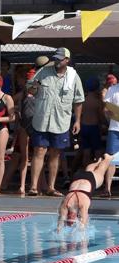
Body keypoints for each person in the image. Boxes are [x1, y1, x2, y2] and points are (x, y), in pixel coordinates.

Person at [28, 47, 84, 197]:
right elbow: (30, 89)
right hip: (42, 119)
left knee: (55, 154)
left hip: (61, 121)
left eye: (60, 59)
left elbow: (78, 100)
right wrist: (34, 86)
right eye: (56, 58)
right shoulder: (44, 72)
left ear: (67, 60)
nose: (57, 61)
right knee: (39, 150)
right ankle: (34, 187)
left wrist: (77, 121)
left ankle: (51, 187)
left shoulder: (73, 76)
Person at [57, 154, 115, 232]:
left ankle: (107, 158)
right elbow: (60, 225)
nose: (72, 222)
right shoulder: (65, 204)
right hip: (77, 177)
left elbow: (82, 227)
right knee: (89, 171)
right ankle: (98, 161)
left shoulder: (79, 204)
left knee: (101, 170)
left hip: (90, 180)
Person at [4, 68, 36, 196]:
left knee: (36, 157)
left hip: (36, 128)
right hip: (24, 128)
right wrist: (16, 110)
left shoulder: (40, 93)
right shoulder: (22, 94)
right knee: (25, 157)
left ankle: (36, 186)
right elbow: (9, 102)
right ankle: (22, 185)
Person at [78, 77, 106, 168]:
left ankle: (85, 173)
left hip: (84, 127)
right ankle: (96, 174)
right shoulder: (98, 102)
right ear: (97, 88)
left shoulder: (83, 100)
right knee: (98, 153)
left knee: (86, 153)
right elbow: (101, 117)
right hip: (94, 128)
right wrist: (107, 124)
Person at [101, 79, 119, 198]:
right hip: (114, 129)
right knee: (110, 158)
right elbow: (106, 109)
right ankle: (107, 188)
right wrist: (115, 115)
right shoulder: (113, 89)